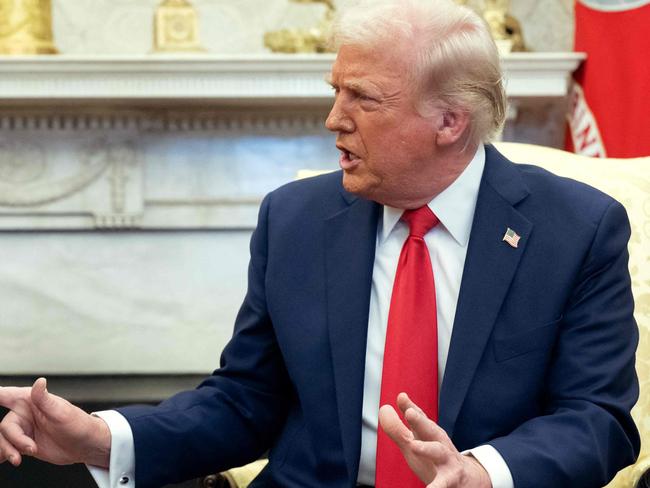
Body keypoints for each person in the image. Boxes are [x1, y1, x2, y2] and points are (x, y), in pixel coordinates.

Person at [0, 0, 640, 487]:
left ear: (450, 120)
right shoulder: (296, 220)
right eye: (336, 92)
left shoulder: (576, 229)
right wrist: (100, 437)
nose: (334, 118)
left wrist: (481, 472)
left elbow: (597, 419)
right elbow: (246, 401)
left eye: (361, 98)